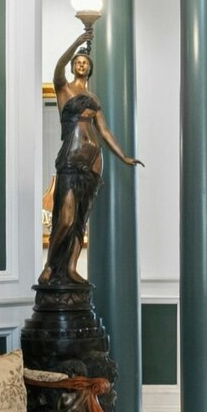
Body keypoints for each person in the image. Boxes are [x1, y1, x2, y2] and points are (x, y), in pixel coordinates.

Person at [42, 27, 140, 285]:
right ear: (74, 66)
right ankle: (51, 266)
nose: (82, 64)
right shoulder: (64, 89)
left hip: (94, 162)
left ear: (90, 69)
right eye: (79, 62)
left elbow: (104, 131)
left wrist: (124, 156)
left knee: (81, 220)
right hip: (70, 161)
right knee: (65, 218)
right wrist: (76, 43)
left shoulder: (93, 98)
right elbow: (58, 66)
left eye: (85, 62)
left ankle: (72, 268)